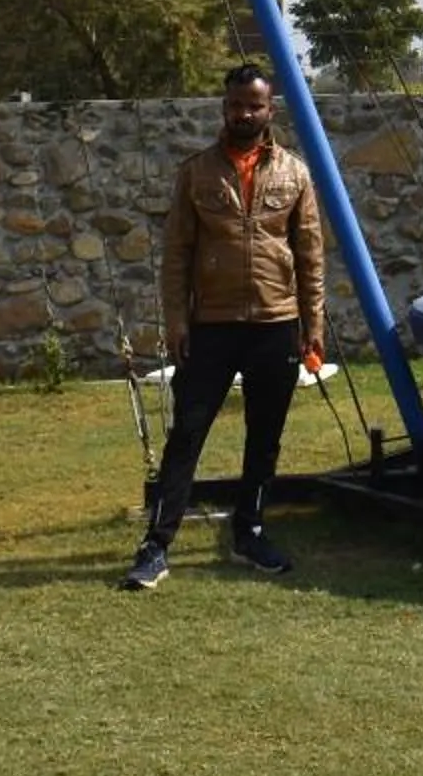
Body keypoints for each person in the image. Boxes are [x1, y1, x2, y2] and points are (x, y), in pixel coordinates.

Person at [121, 62, 326, 590]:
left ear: (269, 108)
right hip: (209, 326)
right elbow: (176, 256)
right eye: (236, 105)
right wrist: (176, 320)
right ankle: (156, 545)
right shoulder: (196, 172)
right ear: (224, 107)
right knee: (187, 434)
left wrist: (313, 325)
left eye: (254, 105)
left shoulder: (295, 173)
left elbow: (310, 254)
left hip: (276, 324)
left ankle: (250, 531)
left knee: (265, 438)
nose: (244, 114)